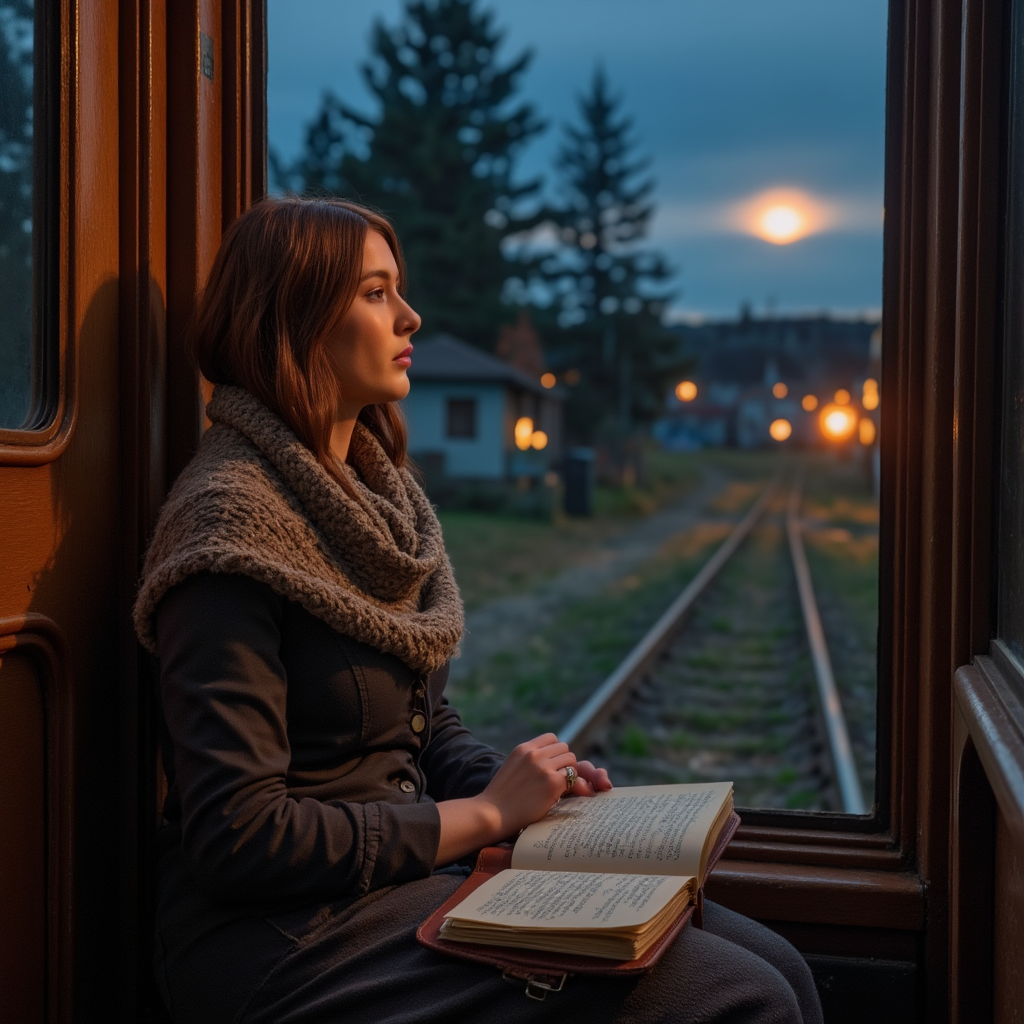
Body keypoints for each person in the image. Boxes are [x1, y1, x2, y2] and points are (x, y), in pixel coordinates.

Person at [134, 196, 823, 1024]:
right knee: (748, 999)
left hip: (394, 880)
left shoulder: (373, 498)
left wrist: (544, 797)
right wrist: (489, 813)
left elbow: (416, 720)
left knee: (782, 963)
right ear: (295, 318)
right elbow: (237, 838)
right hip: (285, 937)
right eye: (375, 292)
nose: (409, 315)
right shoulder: (227, 526)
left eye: (400, 290)